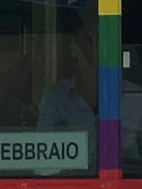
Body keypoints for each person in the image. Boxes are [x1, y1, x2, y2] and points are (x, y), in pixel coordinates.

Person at [37, 13, 98, 161]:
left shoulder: (133, 95)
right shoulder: (55, 96)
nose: (94, 48)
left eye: (100, 41)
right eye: (87, 41)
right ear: (73, 49)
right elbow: (44, 156)